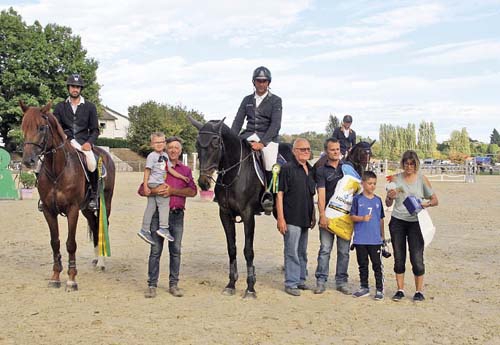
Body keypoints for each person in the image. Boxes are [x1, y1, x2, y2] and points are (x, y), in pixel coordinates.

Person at [145, 136, 197, 298]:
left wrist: (173, 191)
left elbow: (193, 191)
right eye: (171, 147)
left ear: (181, 151)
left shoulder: (186, 170)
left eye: (177, 148)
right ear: (167, 149)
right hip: (157, 216)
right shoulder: (157, 165)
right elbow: (143, 189)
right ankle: (152, 285)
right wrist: (155, 190)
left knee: (175, 251)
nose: (173, 150)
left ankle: (173, 284)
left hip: (176, 216)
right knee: (155, 250)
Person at [385, 150, 438, 302]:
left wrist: (425, 204)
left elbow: (435, 200)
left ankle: (419, 291)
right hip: (398, 221)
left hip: (416, 222)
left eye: (412, 163)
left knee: (417, 257)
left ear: (416, 164)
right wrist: (390, 197)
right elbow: (388, 202)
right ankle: (400, 290)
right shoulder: (395, 179)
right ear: (403, 164)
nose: (409, 166)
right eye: (406, 163)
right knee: (399, 257)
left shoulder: (422, 179)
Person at [231, 66, 282, 212]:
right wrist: (232, 139)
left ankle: (267, 195)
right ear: (254, 82)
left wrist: (263, 143)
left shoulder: (276, 101)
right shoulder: (246, 100)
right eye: (258, 81)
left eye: (264, 81)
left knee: (271, 163)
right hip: (247, 135)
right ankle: (222, 190)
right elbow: (238, 121)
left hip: (267, 138)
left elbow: (275, 124)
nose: (261, 84)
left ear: (268, 82)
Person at [53, 74, 99, 210]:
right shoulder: (60, 107)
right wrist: (65, 137)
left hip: (83, 143)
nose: (75, 89)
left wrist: (89, 143)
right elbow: (57, 126)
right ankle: (45, 197)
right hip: (65, 141)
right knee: (42, 160)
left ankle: (93, 196)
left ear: (80, 89)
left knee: (92, 163)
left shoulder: (90, 107)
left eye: (78, 87)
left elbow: (95, 129)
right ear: (68, 88)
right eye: (73, 86)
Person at [276, 138, 316, 296]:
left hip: (305, 217)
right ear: (294, 151)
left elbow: (310, 194)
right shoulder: (286, 168)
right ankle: (291, 283)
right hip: (291, 217)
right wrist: (280, 218)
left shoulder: (311, 170)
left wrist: (313, 215)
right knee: (291, 251)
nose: (306, 152)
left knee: (302, 251)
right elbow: (279, 194)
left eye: (308, 149)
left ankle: (301, 280)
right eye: (302, 149)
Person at [313, 138, 351, 295]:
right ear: (326, 151)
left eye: (338, 149)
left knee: (344, 251)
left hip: (345, 218)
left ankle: (341, 281)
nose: (336, 152)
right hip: (328, 216)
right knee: (325, 249)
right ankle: (321, 281)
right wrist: (322, 215)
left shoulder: (348, 168)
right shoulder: (321, 170)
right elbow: (321, 194)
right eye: (332, 149)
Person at [137, 132, 190, 245]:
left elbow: (170, 170)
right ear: (152, 144)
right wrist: (147, 186)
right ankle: (164, 227)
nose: (159, 144)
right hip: (155, 183)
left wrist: (181, 177)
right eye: (157, 142)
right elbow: (147, 171)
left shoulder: (166, 157)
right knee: (164, 203)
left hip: (175, 210)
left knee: (150, 207)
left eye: (162, 142)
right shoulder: (152, 156)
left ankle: (144, 229)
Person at [350, 171, 386, 300]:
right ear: (363, 183)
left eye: (374, 184)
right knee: (363, 264)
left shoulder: (378, 200)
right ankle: (364, 287)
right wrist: (362, 218)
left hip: (375, 239)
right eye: (370, 183)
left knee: (377, 265)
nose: (372, 186)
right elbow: (352, 216)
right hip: (361, 239)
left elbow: (381, 219)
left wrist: (382, 236)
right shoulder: (357, 199)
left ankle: (380, 289)